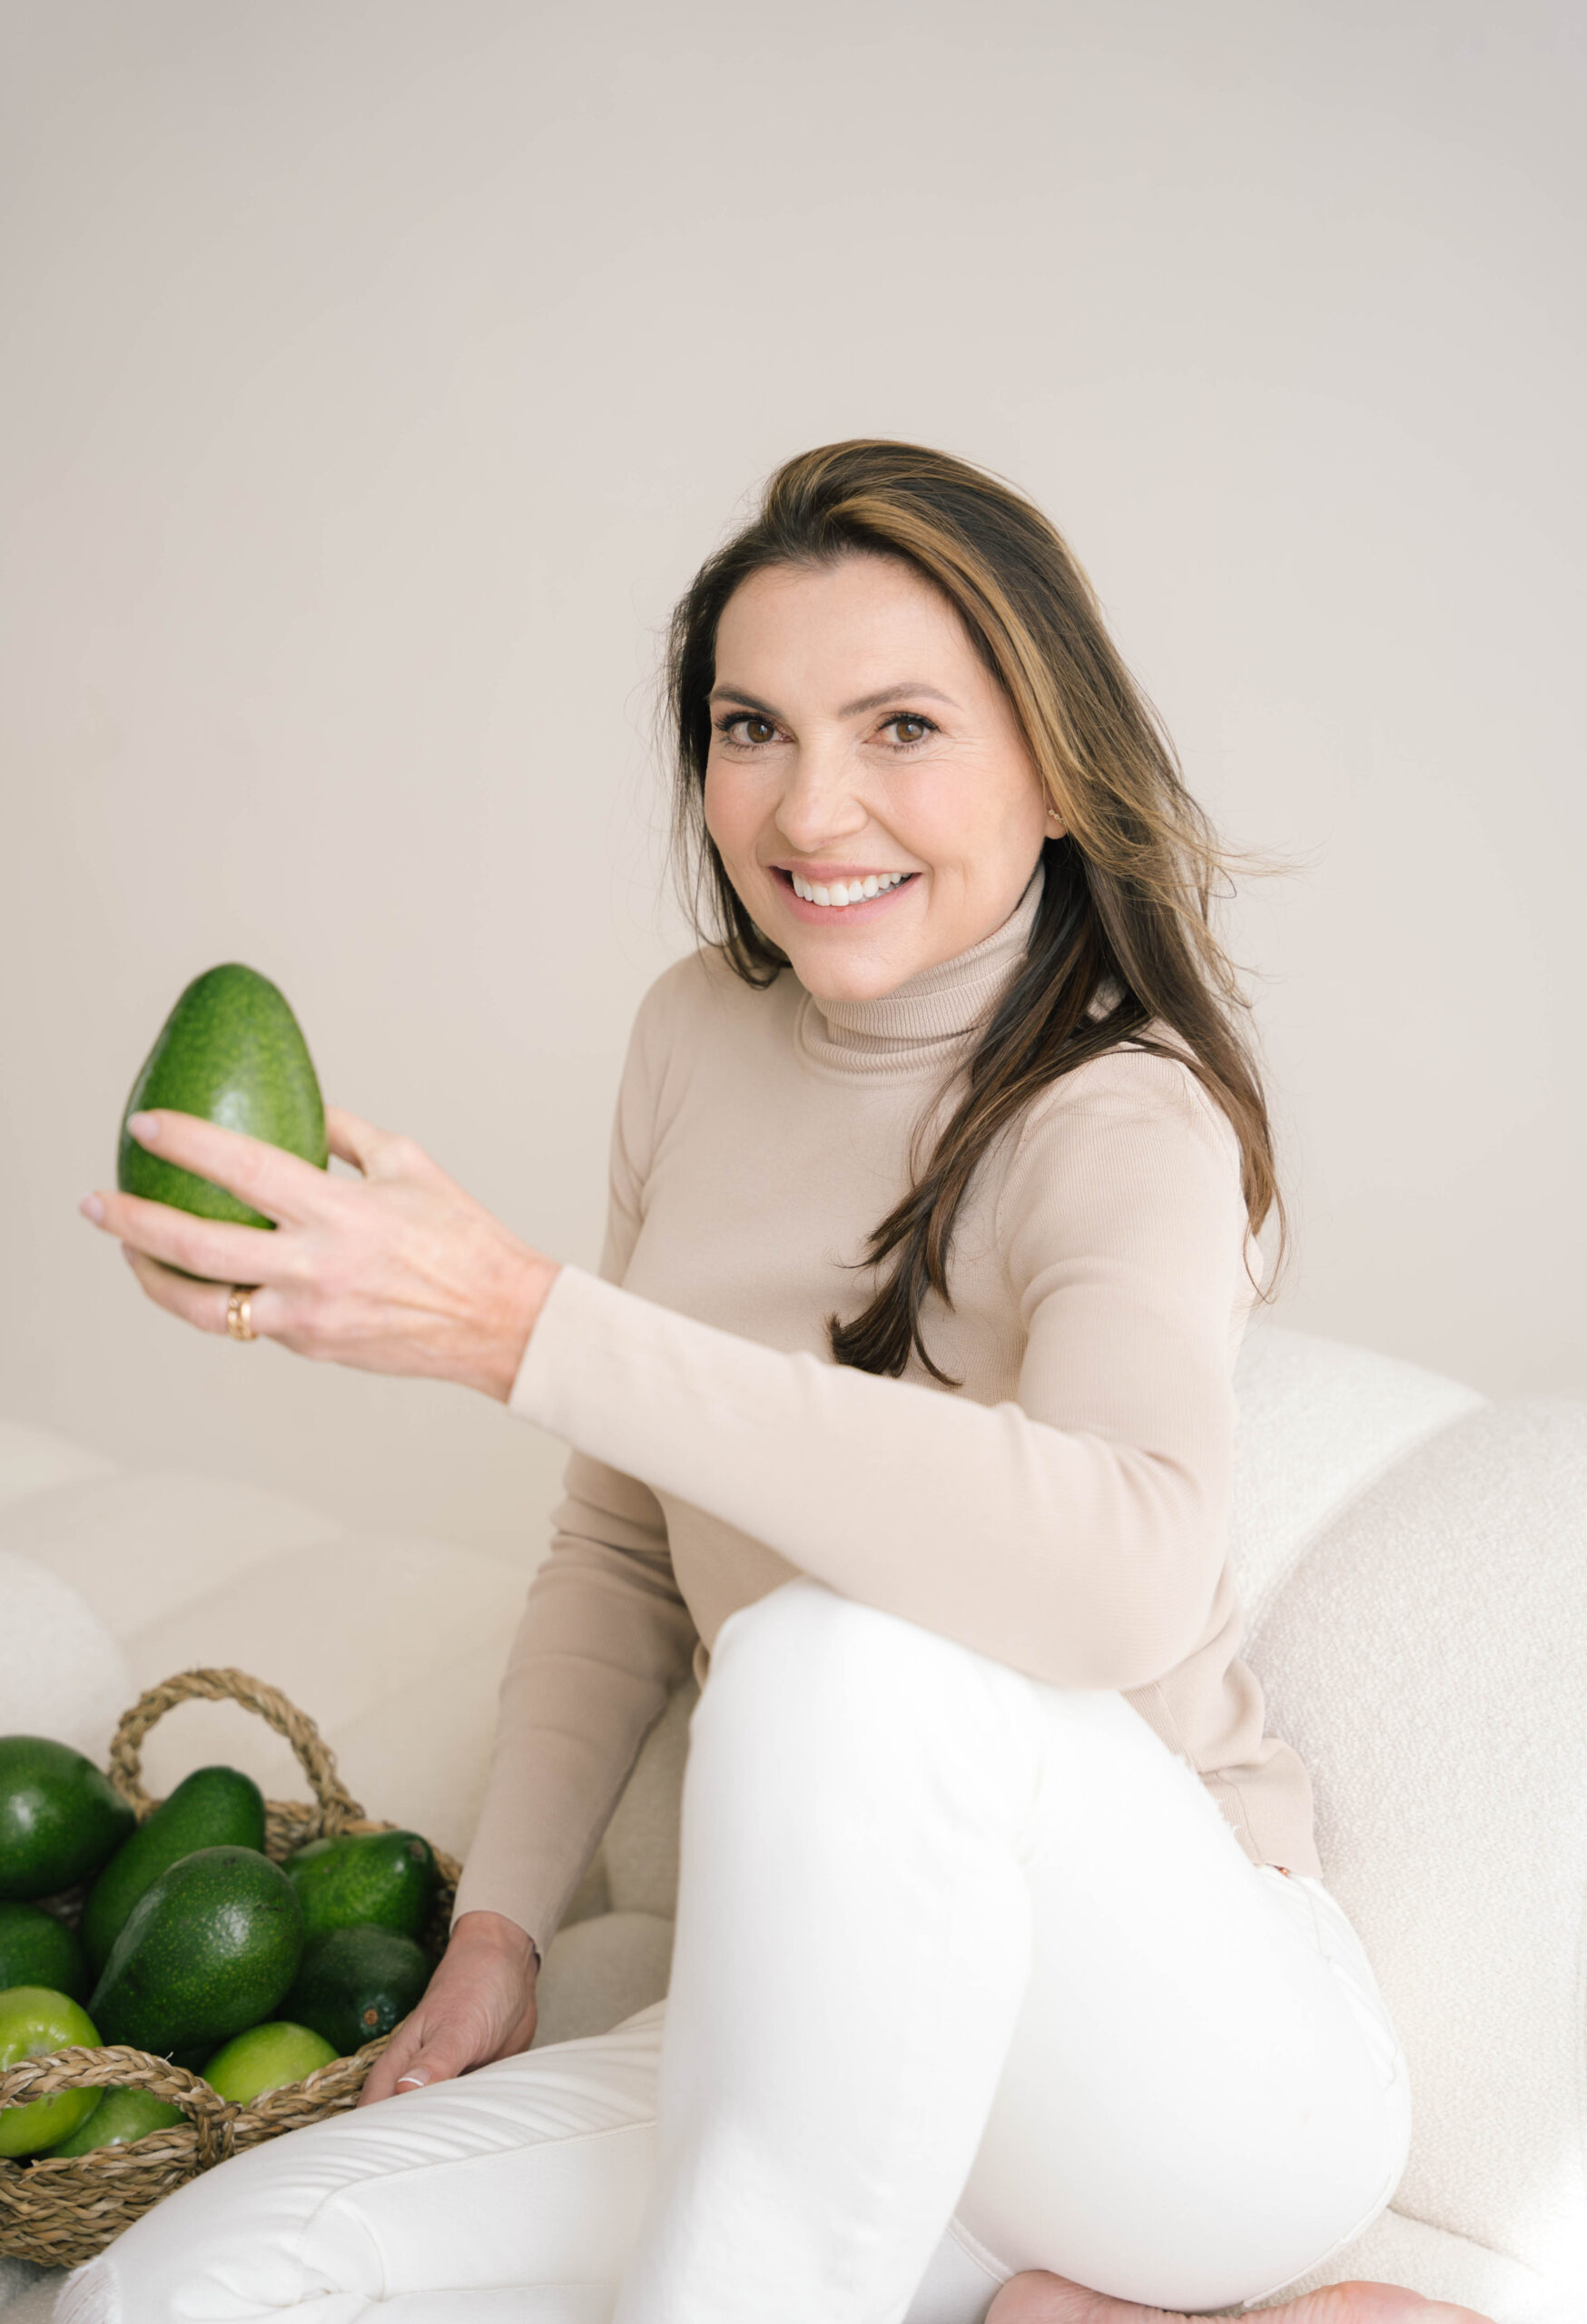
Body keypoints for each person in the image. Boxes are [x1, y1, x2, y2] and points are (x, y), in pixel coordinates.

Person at [71, 440, 1490, 2324]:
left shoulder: (1125, 1112)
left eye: (903, 725)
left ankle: (1116, 2286)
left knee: (843, 1651)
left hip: (1187, 2074)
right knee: (185, 2291)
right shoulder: (694, 1036)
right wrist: (500, 1927)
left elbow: (1124, 1569)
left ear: (1055, 765)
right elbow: (622, 1547)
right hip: (822, 2020)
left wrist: (524, 1325)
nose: (812, 807)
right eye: (752, 728)